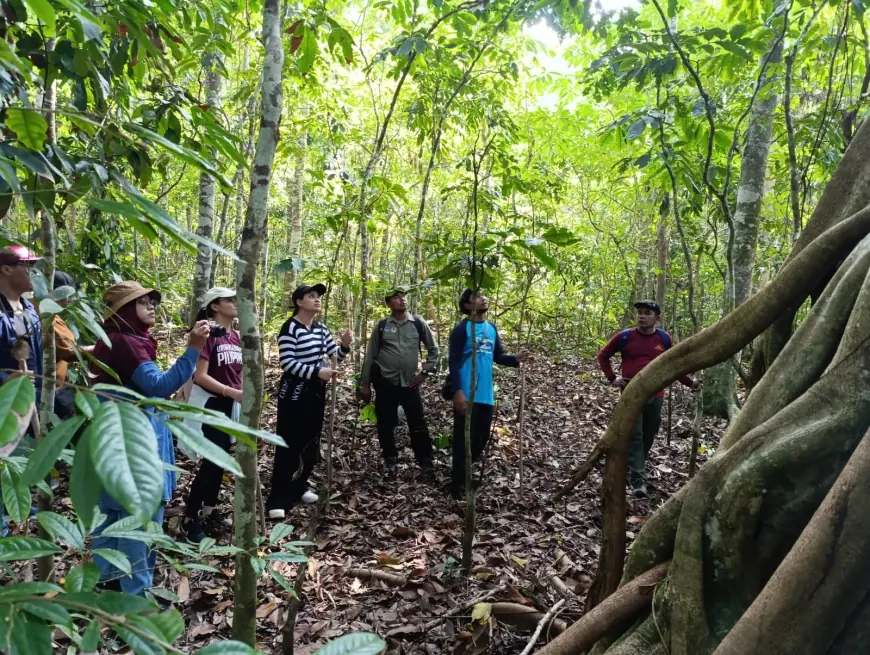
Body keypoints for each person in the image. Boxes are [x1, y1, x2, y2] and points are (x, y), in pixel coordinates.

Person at [90, 281, 209, 595]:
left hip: (112, 442)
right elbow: (159, 386)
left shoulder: (115, 339)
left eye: (152, 300)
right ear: (126, 310)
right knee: (139, 520)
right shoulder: (128, 344)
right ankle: (136, 598)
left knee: (112, 516)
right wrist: (194, 348)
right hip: (134, 445)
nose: (152, 305)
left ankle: (106, 586)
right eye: (143, 302)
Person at [266, 283, 353, 520]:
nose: (317, 300)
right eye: (311, 296)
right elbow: (287, 363)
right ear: (298, 302)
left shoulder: (321, 329)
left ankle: (299, 485)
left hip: (315, 391)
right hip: (293, 392)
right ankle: (279, 496)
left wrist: (344, 345)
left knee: (310, 442)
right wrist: (316, 371)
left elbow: (334, 358)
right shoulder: (289, 328)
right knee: (288, 443)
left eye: (318, 297)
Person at [597, 299, 700, 498]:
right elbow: (603, 355)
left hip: (656, 395)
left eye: (647, 313)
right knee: (635, 436)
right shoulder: (625, 336)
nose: (642, 316)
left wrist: (689, 383)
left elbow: (673, 365)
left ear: (657, 318)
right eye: (640, 313)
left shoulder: (664, 338)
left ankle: (635, 464)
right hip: (631, 394)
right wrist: (612, 378)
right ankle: (638, 481)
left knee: (649, 433)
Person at [448, 289, 529, 497]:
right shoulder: (461, 329)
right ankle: (456, 485)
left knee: (481, 439)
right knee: (462, 440)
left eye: (483, 295)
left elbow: (498, 356)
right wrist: (458, 392)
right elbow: (454, 362)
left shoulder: (491, 329)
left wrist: (516, 359)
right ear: (467, 305)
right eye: (477, 296)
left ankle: (463, 475)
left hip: (486, 395)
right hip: (466, 393)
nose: (483, 298)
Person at [180, 287, 243, 543]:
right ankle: (189, 518)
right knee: (211, 463)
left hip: (229, 406)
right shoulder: (208, 334)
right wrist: (231, 392)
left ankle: (209, 511)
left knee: (220, 461)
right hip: (210, 405)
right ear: (215, 306)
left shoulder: (236, 336)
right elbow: (200, 376)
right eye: (229, 299)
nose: (235, 303)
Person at [359, 288, 440, 479]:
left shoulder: (418, 323)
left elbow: (434, 350)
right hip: (385, 381)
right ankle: (390, 459)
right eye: (396, 297)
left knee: (417, 422)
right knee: (385, 423)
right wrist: (365, 384)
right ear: (388, 304)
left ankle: (425, 461)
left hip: (410, 383)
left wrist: (425, 373)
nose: (401, 299)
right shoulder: (382, 326)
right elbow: (371, 356)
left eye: (402, 296)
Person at [0, 246, 42, 538]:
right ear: (6, 269)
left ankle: (19, 509)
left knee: (23, 456)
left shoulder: (27, 309)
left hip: (28, 400)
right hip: (4, 402)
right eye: (27, 267)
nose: (33, 274)